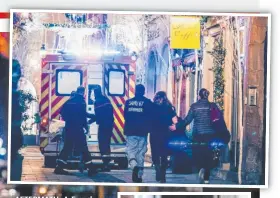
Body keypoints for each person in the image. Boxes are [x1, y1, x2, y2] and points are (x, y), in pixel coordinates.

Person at [169, 88, 219, 184]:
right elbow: (216, 120)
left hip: (198, 135)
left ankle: (201, 169)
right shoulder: (213, 107)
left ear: (199, 96)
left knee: (198, 154)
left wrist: (177, 126)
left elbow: (187, 120)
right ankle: (207, 177)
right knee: (208, 155)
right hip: (210, 135)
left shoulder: (194, 107)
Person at [55, 86, 96, 175]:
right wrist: (86, 125)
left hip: (69, 127)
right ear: (83, 92)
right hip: (78, 128)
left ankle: (59, 167)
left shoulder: (69, 101)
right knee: (84, 147)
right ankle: (91, 168)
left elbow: (62, 112)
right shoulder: (81, 102)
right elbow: (83, 115)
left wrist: (68, 120)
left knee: (67, 147)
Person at [124, 84, 153, 183]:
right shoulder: (148, 103)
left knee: (131, 151)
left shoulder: (128, 102)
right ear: (143, 91)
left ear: (135, 91)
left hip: (131, 131)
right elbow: (151, 117)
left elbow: (125, 116)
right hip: (142, 132)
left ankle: (134, 166)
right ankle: (139, 176)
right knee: (141, 153)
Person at [150, 91, 178, 183]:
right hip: (165, 134)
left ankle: (157, 168)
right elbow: (175, 121)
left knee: (155, 153)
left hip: (154, 133)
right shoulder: (169, 108)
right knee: (164, 155)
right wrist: (174, 126)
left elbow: (147, 119)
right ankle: (163, 175)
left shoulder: (152, 107)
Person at [93, 85, 114, 172]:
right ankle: (107, 164)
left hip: (103, 125)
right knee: (107, 143)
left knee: (102, 143)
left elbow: (98, 115)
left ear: (95, 93)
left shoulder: (97, 101)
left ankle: (105, 164)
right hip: (109, 124)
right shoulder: (106, 99)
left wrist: (89, 121)